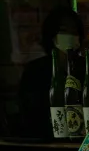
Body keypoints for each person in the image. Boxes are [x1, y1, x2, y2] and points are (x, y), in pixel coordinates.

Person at [15, 7, 85, 139]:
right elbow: (29, 114)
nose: (69, 35)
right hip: (47, 144)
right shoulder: (35, 71)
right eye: (63, 30)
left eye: (74, 31)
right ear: (51, 35)